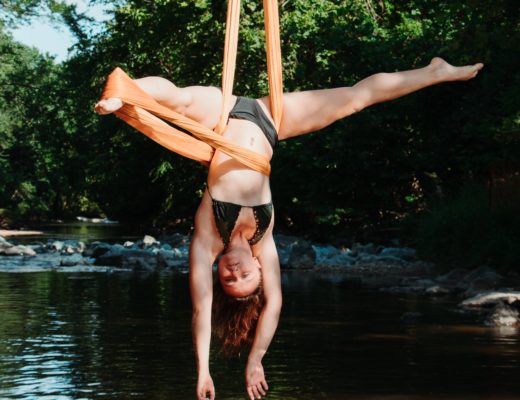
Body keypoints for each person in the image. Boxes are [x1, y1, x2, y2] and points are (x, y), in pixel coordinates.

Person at [95, 57, 483, 400]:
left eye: (230, 278)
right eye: (246, 276)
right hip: (271, 121)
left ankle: (124, 93)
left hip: (222, 114)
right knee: (357, 97)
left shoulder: (208, 239)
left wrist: (203, 370)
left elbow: (201, 308)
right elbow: (275, 305)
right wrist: (256, 360)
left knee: (176, 99)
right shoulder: (265, 245)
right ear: (260, 270)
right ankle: (435, 73)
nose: (235, 270)